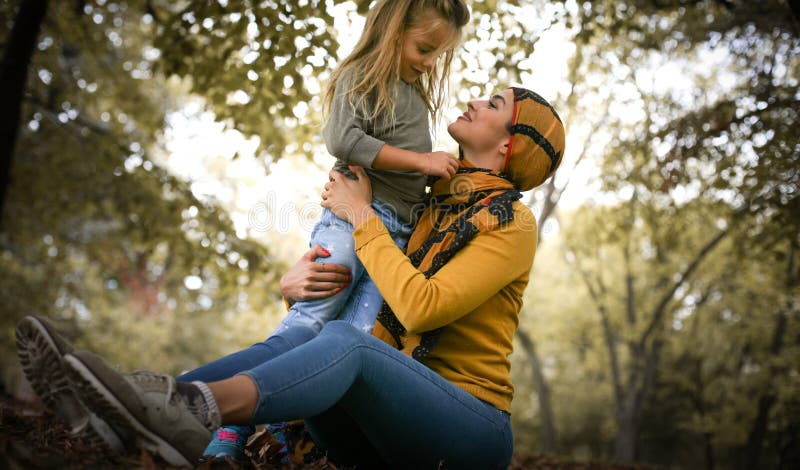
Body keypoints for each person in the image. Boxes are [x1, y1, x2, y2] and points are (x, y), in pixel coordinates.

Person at [17, 86, 565, 469]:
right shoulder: (426, 200)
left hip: (468, 433)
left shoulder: (510, 222)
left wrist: (362, 215)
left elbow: (421, 307)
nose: (475, 100)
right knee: (316, 334)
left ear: (508, 144)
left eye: (493, 104)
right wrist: (302, 290)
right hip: (376, 430)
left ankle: (187, 406)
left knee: (348, 345)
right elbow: (368, 303)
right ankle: (123, 407)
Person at [201, 0, 469, 461]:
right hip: (351, 222)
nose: (430, 62)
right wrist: (422, 161)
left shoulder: (412, 93)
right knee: (308, 325)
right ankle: (220, 420)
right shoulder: (362, 76)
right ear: (393, 28)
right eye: (425, 48)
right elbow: (344, 140)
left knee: (351, 343)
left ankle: (279, 436)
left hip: (392, 236)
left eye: (439, 55)